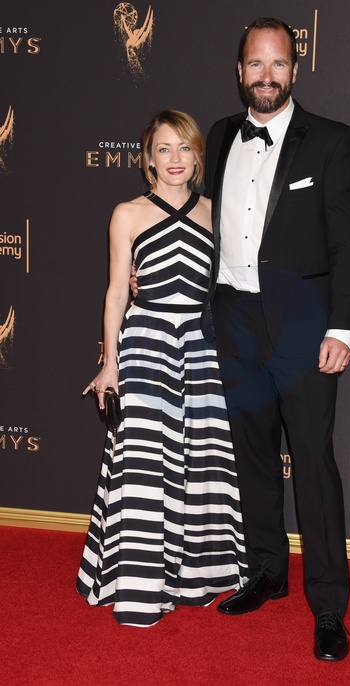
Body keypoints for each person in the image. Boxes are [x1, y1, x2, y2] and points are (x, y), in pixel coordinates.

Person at [202, 18, 350, 661]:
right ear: (239, 71)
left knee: (313, 465)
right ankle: (267, 571)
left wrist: (343, 327)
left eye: (277, 64)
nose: (265, 76)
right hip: (236, 319)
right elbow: (202, 220)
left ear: (295, 70)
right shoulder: (219, 135)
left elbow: (347, 243)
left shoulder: (331, 140)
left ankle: (328, 606)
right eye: (255, 64)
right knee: (254, 457)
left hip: (303, 324)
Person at [77, 109, 247, 627]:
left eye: (185, 148)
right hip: (146, 343)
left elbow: (232, 283)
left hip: (200, 348)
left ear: (198, 156)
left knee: (199, 461)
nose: (175, 159)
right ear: (148, 159)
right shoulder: (127, 214)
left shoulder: (216, 211)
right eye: (164, 149)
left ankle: (195, 575)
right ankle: (140, 585)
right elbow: (115, 292)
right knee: (144, 465)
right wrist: (110, 364)